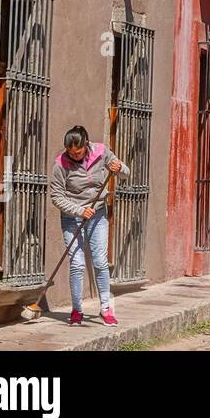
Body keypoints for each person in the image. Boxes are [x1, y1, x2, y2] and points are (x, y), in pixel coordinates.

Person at [50, 125, 128, 326]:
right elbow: (56, 196)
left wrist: (119, 168)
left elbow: (125, 172)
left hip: (98, 213)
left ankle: (105, 309)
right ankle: (76, 310)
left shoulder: (101, 152)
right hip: (71, 217)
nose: (74, 156)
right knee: (77, 264)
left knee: (100, 261)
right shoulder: (60, 164)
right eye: (70, 152)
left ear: (86, 145)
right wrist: (78, 210)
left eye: (78, 152)